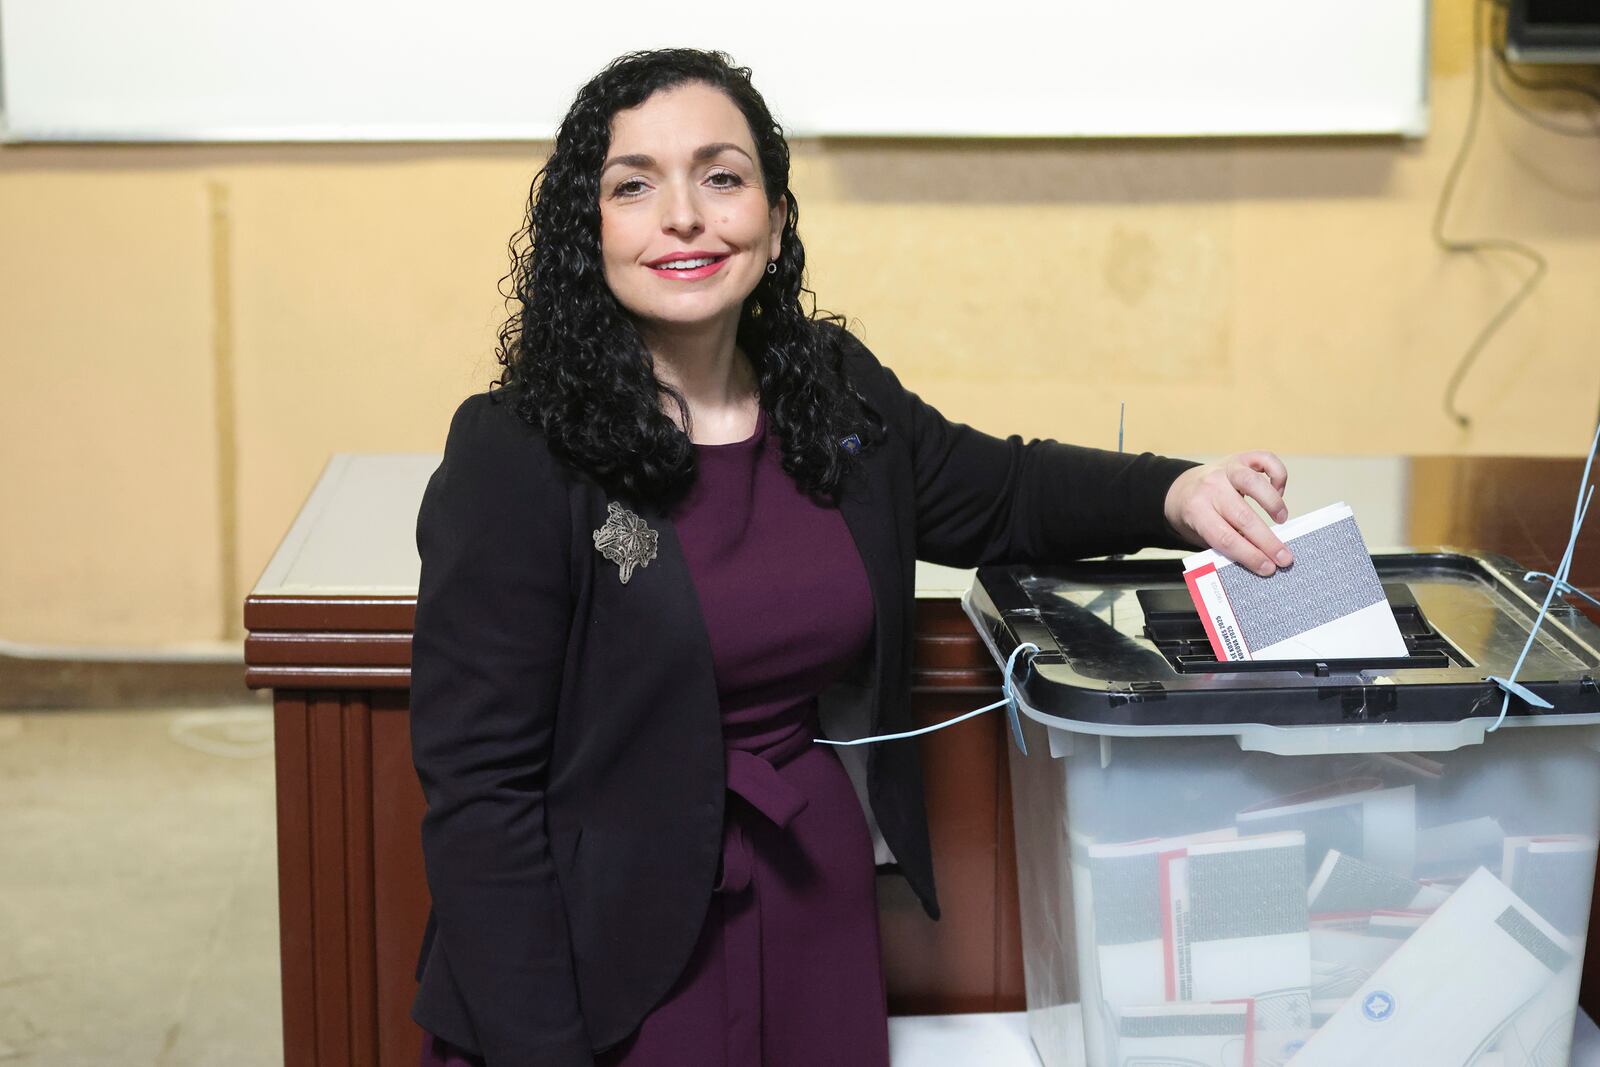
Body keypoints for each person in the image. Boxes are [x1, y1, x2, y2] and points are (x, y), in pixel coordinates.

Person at [409, 47, 1295, 1067]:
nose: (684, 215)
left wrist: (1174, 491)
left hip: (807, 896)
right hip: (600, 938)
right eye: (633, 185)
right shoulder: (516, 449)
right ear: (589, 231)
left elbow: (1001, 489)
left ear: (775, 220)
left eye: (722, 176)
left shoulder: (831, 392)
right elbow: (480, 792)